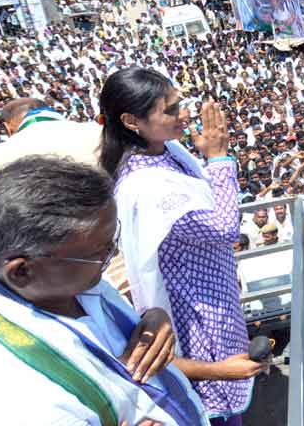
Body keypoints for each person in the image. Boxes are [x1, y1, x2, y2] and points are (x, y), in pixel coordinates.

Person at [0, 156, 209, 425]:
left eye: (112, 241)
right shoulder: (12, 396)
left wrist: (152, 318)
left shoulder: (65, 285)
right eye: (100, 251)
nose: (112, 254)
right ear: (22, 271)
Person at [98, 67, 259, 425]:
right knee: (216, 406)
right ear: (131, 121)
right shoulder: (144, 184)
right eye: (169, 110)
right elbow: (223, 227)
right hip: (196, 316)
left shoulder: (165, 150)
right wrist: (219, 158)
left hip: (216, 296)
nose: (183, 114)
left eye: (179, 104)